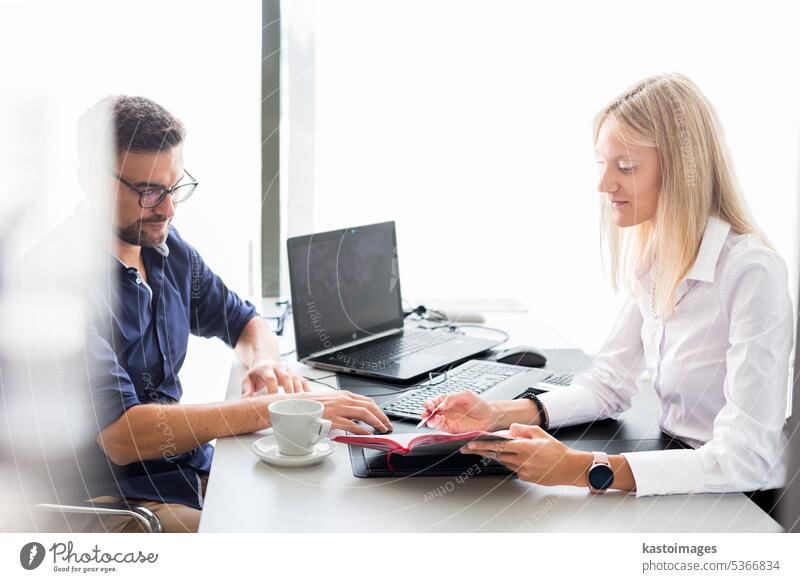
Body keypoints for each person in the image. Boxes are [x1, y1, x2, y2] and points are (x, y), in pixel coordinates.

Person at [423, 74, 793, 506]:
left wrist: (583, 469)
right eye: (602, 163)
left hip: (737, 497)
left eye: (627, 166)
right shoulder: (659, 256)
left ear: (683, 170)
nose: (604, 185)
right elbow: (609, 385)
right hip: (676, 470)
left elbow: (746, 456)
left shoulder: (752, 273)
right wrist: (499, 413)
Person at [64, 95, 392, 533]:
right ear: (92, 180)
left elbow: (245, 322)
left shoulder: (167, 249)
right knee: (253, 542)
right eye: (148, 192)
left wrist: (264, 361)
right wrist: (274, 407)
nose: (167, 207)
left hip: (185, 470)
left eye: (175, 186)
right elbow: (122, 436)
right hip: (113, 502)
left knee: (321, 508)